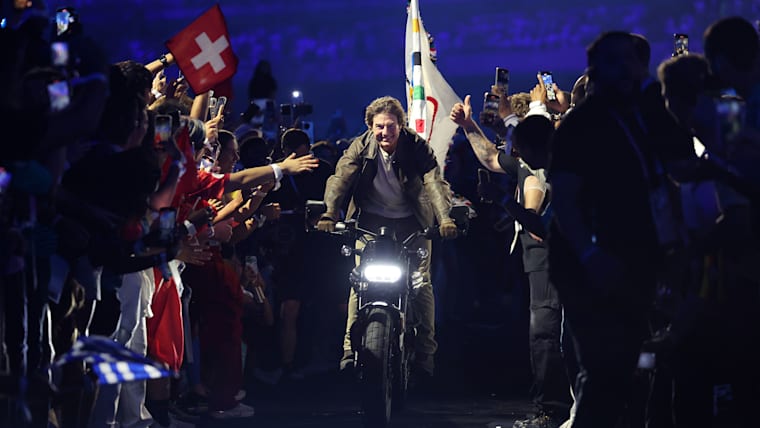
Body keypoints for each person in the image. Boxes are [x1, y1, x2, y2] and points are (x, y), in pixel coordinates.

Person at [316, 96, 458, 377]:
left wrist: (445, 219)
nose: (384, 132)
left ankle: (426, 356)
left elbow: (433, 181)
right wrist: (330, 213)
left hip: (412, 223)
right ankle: (348, 349)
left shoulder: (416, 147)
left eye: (390, 126)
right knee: (359, 281)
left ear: (400, 126)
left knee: (421, 283)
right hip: (370, 222)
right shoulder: (360, 146)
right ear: (370, 126)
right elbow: (340, 178)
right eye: (379, 126)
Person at [451, 98, 571, 428]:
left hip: (553, 264)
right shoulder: (527, 165)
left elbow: (538, 226)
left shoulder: (547, 175)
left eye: (519, 148)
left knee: (546, 336)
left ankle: (553, 410)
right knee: (546, 336)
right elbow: (490, 156)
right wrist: (468, 125)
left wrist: (501, 198)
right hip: (538, 264)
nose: (514, 154)